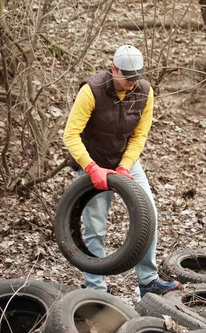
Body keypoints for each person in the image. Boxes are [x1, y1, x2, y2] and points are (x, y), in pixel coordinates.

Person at [63, 44, 180, 297]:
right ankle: (97, 291)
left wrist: (125, 165)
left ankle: (148, 281)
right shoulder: (91, 91)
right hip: (92, 162)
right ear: (113, 68)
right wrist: (91, 168)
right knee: (95, 229)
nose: (131, 82)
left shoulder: (145, 92)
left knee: (149, 216)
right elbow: (70, 134)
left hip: (126, 161)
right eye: (126, 77)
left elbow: (140, 135)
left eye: (136, 77)